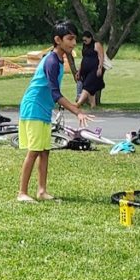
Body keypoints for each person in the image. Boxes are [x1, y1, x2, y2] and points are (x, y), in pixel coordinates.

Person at [17, 21, 93, 203]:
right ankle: (22, 193)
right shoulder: (51, 61)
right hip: (33, 107)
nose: (74, 43)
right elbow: (55, 93)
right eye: (70, 39)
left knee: (45, 151)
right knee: (34, 151)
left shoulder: (60, 60)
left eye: (75, 39)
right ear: (58, 40)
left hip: (43, 108)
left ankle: (42, 191)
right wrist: (77, 111)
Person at [75, 30, 105, 109]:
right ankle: (93, 105)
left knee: (87, 86)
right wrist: (79, 71)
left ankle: (78, 103)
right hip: (85, 70)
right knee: (91, 90)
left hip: (94, 69)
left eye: (86, 40)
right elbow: (83, 58)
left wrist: (100, 67)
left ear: (90, 38)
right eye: (83, 40)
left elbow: (101, 56)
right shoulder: (84, 46)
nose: (84, 42)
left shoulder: (96, 44)